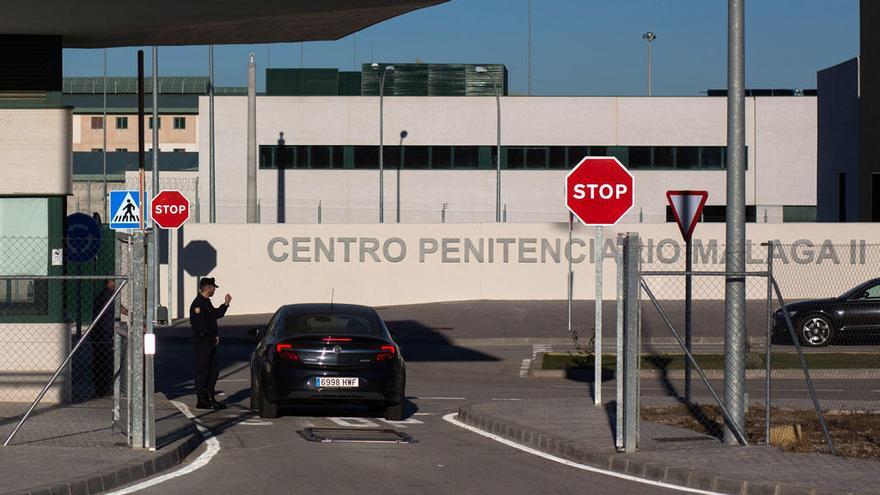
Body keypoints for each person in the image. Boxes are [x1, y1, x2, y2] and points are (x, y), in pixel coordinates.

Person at [190, 277, 231, 410]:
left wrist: (225, 304)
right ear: (207, 288)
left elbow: (215, 315)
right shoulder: (198, 304)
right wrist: (211, 337)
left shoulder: (207, 302)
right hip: (203, 342)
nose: (214, 290)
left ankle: (210, 397)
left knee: (214, 371)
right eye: (213, 288)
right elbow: (199, 326)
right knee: (203, 371)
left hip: (210, 342)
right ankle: (201, 400)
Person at [90, 279, 127, 397]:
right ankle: (103, 389)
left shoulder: (103, 295)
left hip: (100, 332)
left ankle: (101, 388)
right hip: (103, 333)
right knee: (105, 361)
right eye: (114, 282)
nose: (116, 284)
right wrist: (134, 315)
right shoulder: (108, 295)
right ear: (109, 282)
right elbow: (120, 308)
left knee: (100, 360)